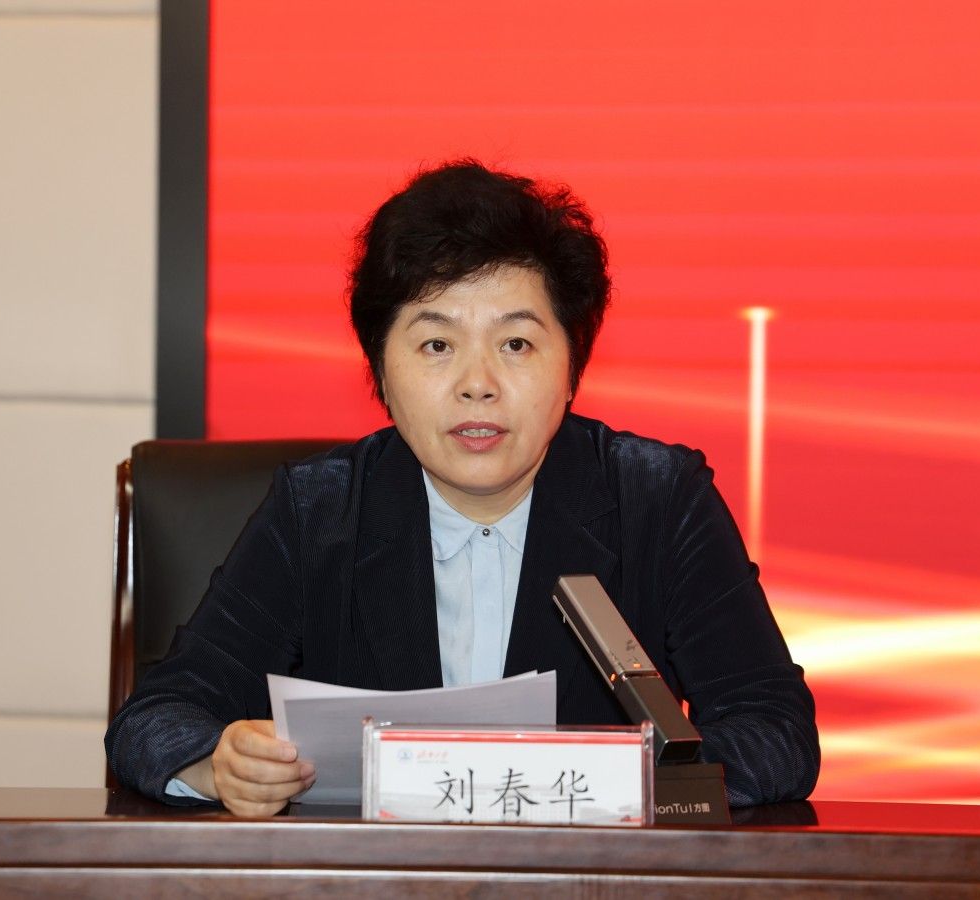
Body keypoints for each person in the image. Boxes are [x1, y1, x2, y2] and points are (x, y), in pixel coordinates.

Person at [105, 160, 820, 816]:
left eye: (516, 344)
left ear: (572, 367)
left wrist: (600, 783)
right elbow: (156, 719)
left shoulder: (658, 501)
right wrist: (217, 765)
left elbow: (776, 732)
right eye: (437, 345)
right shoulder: (318, 512)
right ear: (381, 373)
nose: (478, 384)